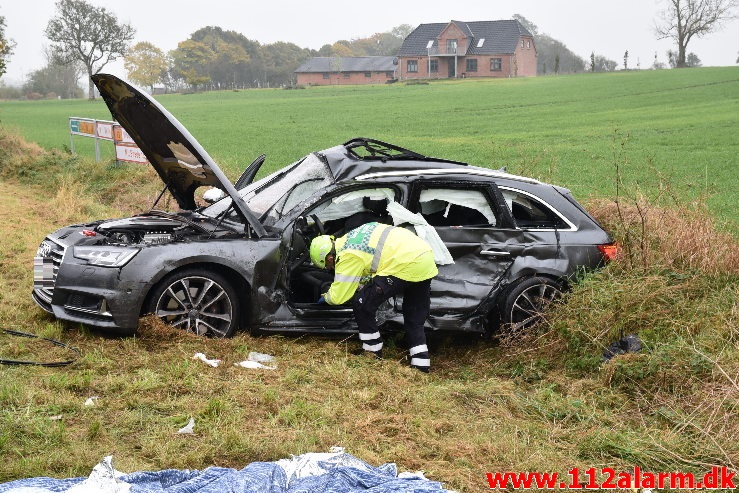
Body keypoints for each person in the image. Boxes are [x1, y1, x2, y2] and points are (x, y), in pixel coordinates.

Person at [309, 222, 438, 372]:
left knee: (362, 305)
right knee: (414, 318)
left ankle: (372, 352)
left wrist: (325, 297)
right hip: (424, 259)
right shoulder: (350, 238)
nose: (329, 268)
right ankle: (421, 364)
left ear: (329, 258)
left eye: (327, 266)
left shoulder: (347, 255)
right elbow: (369, 265)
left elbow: (338, 297)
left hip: (403, 263)